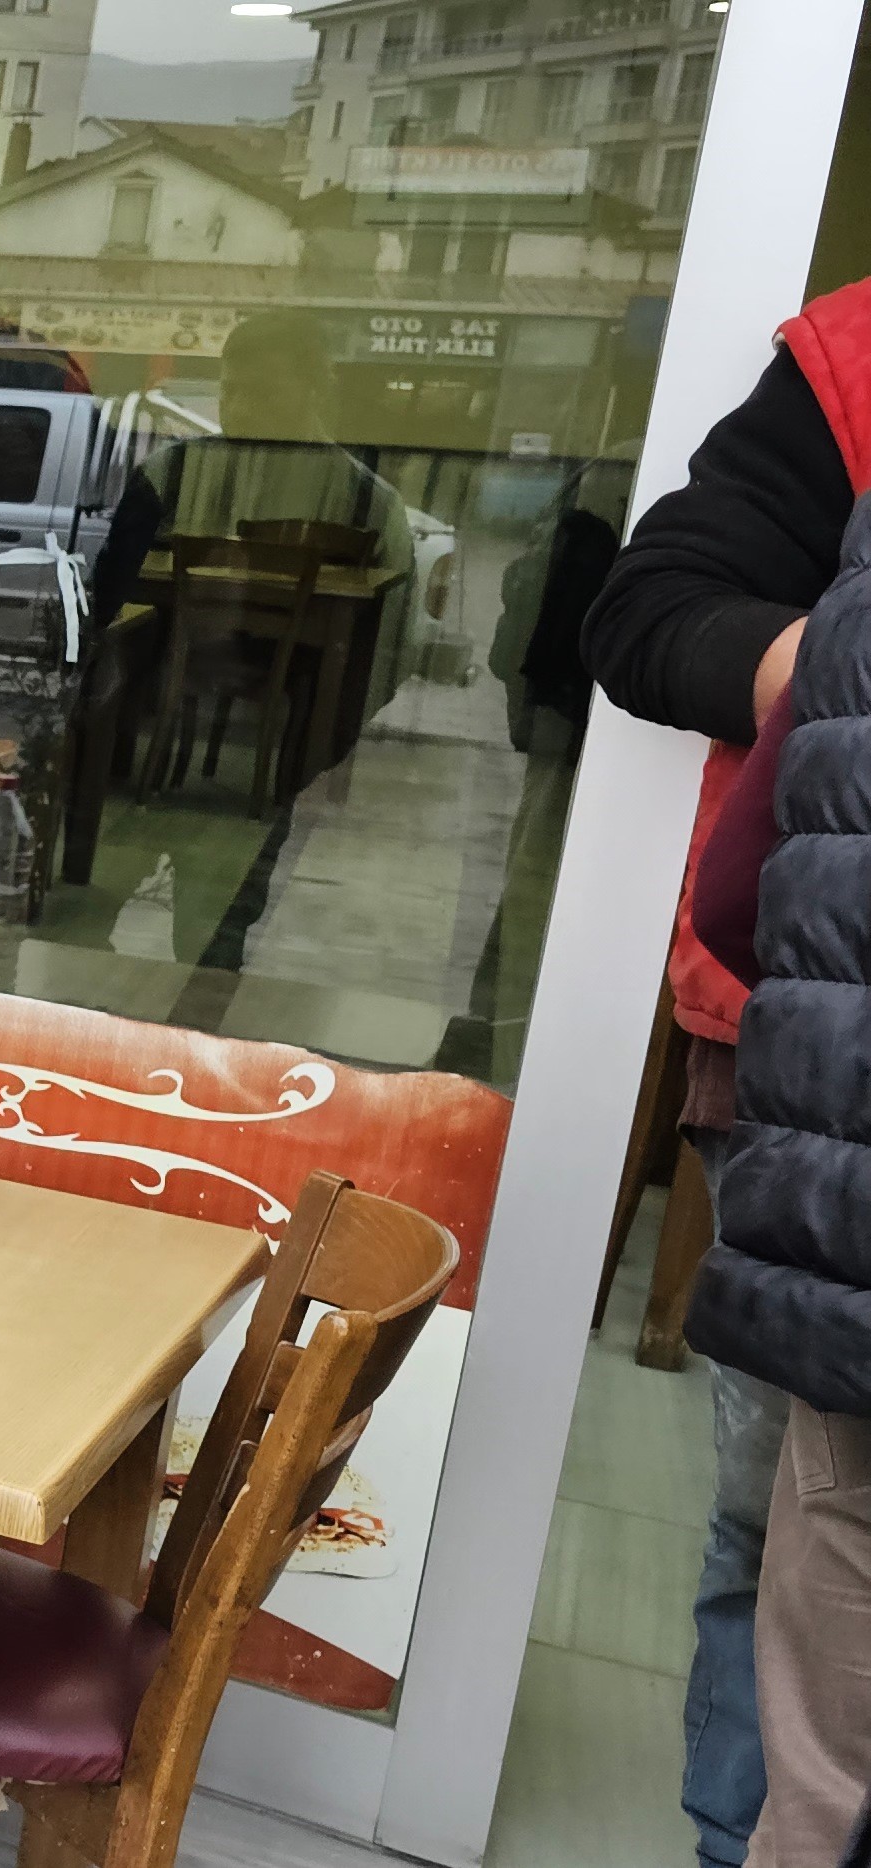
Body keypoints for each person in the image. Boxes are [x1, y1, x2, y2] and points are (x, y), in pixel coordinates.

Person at [585, 273, 871, 1868]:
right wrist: (829, 673)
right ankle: (728, 1837)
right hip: (810, 1059)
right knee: (783, 1519)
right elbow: (644, 616)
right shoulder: (855, 359)